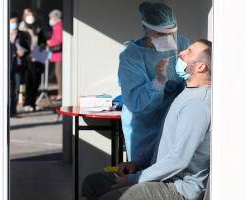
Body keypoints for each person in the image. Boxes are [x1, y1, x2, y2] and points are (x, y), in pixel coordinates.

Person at [82, 39, 212, 200]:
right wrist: (137, 163)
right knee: (92, 183)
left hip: (178, 188)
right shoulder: (185, 92)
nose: (181, 52)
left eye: (189, 52)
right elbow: (166, 140)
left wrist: (134, 179)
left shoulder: (198, 104)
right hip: (159, 176)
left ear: (201, 67)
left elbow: (179, 159)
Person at [118, 2, 190, 160]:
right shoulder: (131, 56)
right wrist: (158, 81)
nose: (169, 39)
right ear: (147, 30)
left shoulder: (182, 45)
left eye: (172, 33)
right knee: (144, 174)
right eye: (161, 34)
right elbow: (137, 102)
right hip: (143, 125)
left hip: (173, 122)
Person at [19, 8, 47, 112]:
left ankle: (33, 102)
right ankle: (27, 103)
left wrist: (40, 50)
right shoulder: (21, 29)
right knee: (29, 80)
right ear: (24, 16)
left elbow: (43, 41)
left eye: (31, 15)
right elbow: (22, 44)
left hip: (38, 56)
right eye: (27, 15)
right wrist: (29, 53)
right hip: (28, 58)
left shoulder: (38, 27)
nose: (30, 17)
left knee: (37, 80)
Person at [9, 12, 30, 117]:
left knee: (16, 88)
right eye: (12, 22)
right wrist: (13, 52)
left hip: (18, 64)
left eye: (16, 22)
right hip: (8, 65)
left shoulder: (22, 34)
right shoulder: (3, 33)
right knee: (7, 89)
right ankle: (6, 110)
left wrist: (24, 51)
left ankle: (13, 110)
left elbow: (28, 48)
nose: (14, 24)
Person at [47, 9, 63, 101]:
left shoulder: (58, 26)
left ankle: (60, 94)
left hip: (59, 54)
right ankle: (59, 93)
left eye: (51, 18)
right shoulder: (57, 26)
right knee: (58, 74)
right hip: (57, 54)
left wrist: (49, 42)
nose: (50, 19)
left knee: (59, 74)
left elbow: (59, 40)